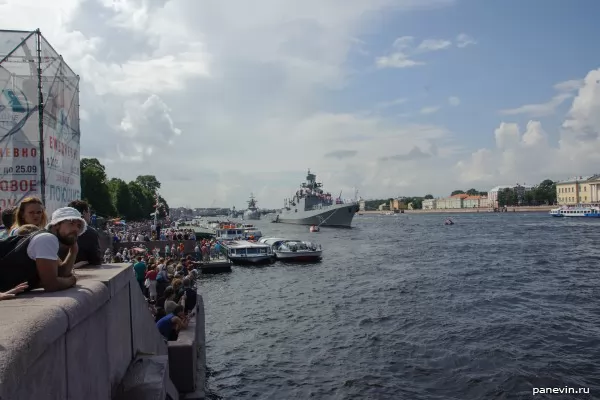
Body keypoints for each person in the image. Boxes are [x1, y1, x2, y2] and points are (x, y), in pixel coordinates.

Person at [0, 206, 85, 292]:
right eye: (71, 223)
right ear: (56, 225)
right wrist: (73, 280)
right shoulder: (47, 238)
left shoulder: (45, 238)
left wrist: (73, 251)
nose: (76, 229)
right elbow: (51, 285)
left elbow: (61, 273)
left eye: (79, 226)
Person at [57, 200, 102, 267]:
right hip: (83, 270)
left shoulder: (59, 229)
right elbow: (96, 259)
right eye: (89, 212)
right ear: (84, 212)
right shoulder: (90, 232)